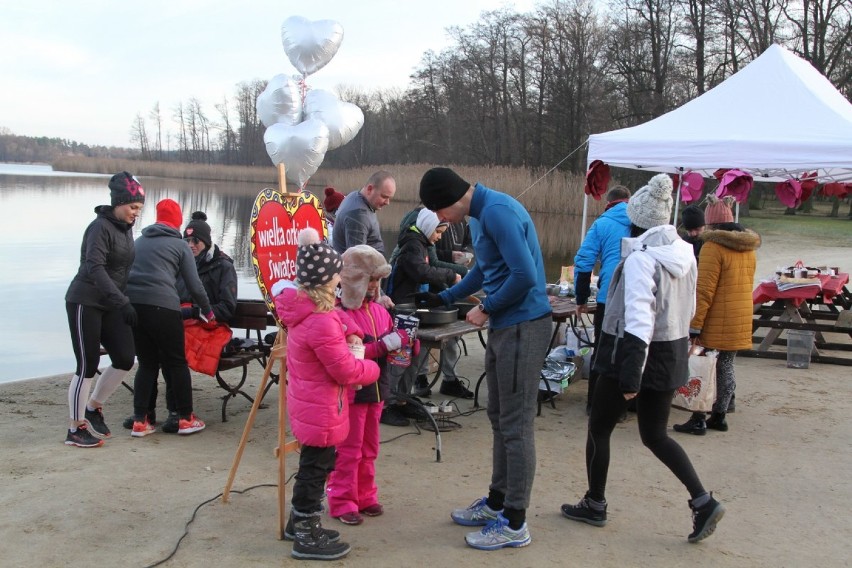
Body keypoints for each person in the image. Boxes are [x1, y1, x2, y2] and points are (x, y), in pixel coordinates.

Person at [560, 173, 725, 544]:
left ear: (636, 221)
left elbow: (637, 321)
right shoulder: (685, 252)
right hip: (670, 352)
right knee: (654, 435)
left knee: (599, 428)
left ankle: (595, 503)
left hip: (630, 355)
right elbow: (691, 307)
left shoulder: (641, 260)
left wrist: (631, 377)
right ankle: (702, 500)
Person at [416, 167, 552, 551]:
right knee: (498, 416)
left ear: (452, 199)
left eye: (439, 211)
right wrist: (444, 299)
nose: (440, 220)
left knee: (516, 423)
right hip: (506, 325)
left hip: (524, 324)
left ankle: (515, 522)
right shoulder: (479, 215)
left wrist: (487, 308)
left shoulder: (497, 212)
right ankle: (497, 502)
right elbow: (484, 269)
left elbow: (525, 275)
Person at [275, 228, 380, 561]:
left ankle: (298, 523)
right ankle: (306, 531)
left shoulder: (307, 312)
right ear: (326, 282)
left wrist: (350, 328)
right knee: (315, 471)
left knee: (313, 466)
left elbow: (337, 318)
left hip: (312, 406)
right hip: (321, 410)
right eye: (337, 277)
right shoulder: (319, 322)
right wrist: (373, 370)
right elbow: (345, 370)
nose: (340, 282)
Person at [122, 210, 238, 432]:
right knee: (156, 355)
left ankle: (172, 413)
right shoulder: (177, 256)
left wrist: (195, 312)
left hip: (206, 322)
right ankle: (150, 413)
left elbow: (227, 307)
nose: (192, 245)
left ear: (206, 241)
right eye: (188, 240)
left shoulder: (223, 265)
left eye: (196, 241)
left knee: (168, 355)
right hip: (174, 317)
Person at [327, 245, 409, 525]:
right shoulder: (339, 314)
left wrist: (407, 344)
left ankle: (365, 494)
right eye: (369, 280)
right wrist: (385, 346)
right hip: (353, 393)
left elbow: (388, 345)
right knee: (349, 449)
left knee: (370, 446)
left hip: (377, 389)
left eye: (377, 280)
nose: (374, 286)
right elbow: (352, 352)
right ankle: (341, 499)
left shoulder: (380, 311)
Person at [64, 172, 146, 447]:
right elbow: (94, 267)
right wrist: (122, 301)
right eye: (133, 207)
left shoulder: (126, 229)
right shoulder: (99, 228)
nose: (136, 213)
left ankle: (93, 406)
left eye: (139, 209)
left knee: (125, 357)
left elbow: (123, 270)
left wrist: (124, 300)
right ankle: (75, 429)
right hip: (85, 299)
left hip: (112, 302)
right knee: (87, 365)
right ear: (119, 202)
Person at [674, 195, 759, 435]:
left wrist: (695, 325)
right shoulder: (748, 248)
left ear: (710, 223)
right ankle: (720, 415)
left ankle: (699, 417)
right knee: (727, 365)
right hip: (739, 316)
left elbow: (704, 291)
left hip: (716, 318)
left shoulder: (712, 247)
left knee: (706, 367)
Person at [382, 208, 460, 427]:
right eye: (439, 232)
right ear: (428, 228)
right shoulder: (411, 246)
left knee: (414, 356)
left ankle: (402, 399)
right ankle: (386, 405)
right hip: (400, 309)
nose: (439, 237)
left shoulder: (421, 245)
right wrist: (450, 275)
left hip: (411, 306)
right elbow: (422, 272)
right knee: (398, 358)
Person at [573, 185, 631, 416]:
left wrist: (581, 298)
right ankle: (622, 407)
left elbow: (584, 262)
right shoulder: (644, 223)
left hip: (610, 295)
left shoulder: (602, 224)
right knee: (629, 349)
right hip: (639, 296)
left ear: (609, 202)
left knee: (603, 349)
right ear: (628, 201)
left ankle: (595, 404)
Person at [331, 171, 396, 255]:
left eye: (390, 198)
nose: (387, 202)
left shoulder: (354, 196)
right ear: (369, 189)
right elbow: (357, 260)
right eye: (384, 197)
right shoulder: (358, 215)